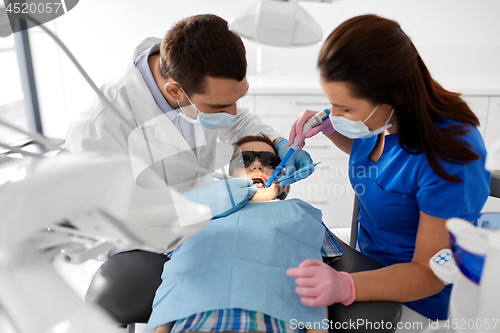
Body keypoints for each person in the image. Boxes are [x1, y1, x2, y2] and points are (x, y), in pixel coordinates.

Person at [286, 14, 491, 321]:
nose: (333, 113)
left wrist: (344, 285)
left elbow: (429, 273)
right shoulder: (382, 121)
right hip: (365, 257)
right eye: (332, 104)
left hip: (420, 296)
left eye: (345, 108)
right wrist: (333, 129)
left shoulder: (452, 153)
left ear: (392, 96)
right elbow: (375, 161)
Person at [65, 14, 313, 218]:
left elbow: (237, 121)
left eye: (238, 98)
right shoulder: (98, 127)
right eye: (219, 106)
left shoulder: (195, 81)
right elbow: (99, 224)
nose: (234, 112)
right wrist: (186, 206)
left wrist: (279, 143)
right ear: (175, 91)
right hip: (146, 254)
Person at [146, 134, 345, 333]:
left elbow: (318, 282)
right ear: (230, 176)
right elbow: (175, 277)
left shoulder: (302, 215)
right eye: (245, 159)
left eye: (269, 161)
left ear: (282, 178)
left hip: (275, 322)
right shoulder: (199, 214)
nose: (257, 166)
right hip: (197, 322)